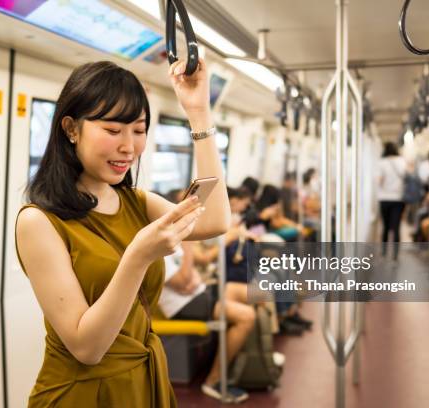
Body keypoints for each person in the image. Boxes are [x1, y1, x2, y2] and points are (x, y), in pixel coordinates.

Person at [15, 59, 230, 407]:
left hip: (144, 381)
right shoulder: (38, 221)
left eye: (139, 130)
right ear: (71, 128)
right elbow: (87, 348)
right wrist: (138, 257)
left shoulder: (135, 202)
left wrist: (199, 112)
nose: (129, 146)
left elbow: (214, 220)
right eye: (113, 131)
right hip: (83, 392)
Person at [159, 190, 254, 403]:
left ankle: (252, 362)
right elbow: (185, 279)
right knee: (246, 315)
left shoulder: (170, 241)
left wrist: (189, 278)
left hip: (195, 295)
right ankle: (213, 381)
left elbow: (190, 278)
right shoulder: (157, 249)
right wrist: (188, 241)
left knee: (252, 293)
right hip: (184, 305)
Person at [377, 142, 407, 259]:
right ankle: (395, 253)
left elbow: (379, 181)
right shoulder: (401, 161)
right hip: (399, 198)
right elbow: (405, 178)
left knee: (385, 225)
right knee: (396, 227)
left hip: (384, 198)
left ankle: (384, 251)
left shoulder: (382, 163)